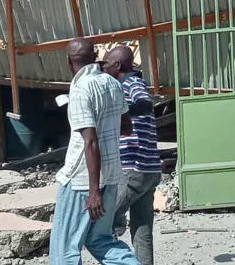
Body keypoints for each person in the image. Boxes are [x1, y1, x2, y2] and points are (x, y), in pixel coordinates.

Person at [50, 38, 140, 265]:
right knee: (101, 241)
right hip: (110, 178)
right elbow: (126, 127)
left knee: (64, 251)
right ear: (95, 55)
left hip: (82, 182)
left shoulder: (80, 89)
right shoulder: (112, 84)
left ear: (69, 61)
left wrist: (93, 192)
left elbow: (90, 142)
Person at [103, 45, 160, 265]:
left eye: (106, 62)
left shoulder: (131, 83)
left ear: (117, 65)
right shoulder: (123, 85)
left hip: (133, 168)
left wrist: (121, 113)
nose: (103, 66)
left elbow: (145, 104)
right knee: (142, 228)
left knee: (103, 223)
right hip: (148, 169)